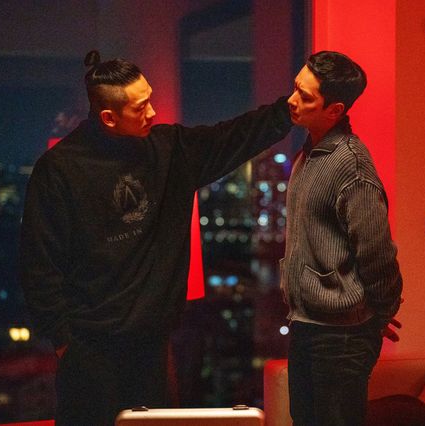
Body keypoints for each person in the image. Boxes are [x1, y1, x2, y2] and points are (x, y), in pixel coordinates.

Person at [19, 50, 293, 425]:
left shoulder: (169, 150)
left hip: (152, 346)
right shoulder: (59, 169)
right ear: (108, 117)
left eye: (150, 100)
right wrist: (64, 340)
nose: (152, 112)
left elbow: (232, 137)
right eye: (140, 107)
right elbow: (39, 264)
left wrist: (289, 111)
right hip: (87, 348)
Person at [280, 50, 403, 426]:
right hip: (307, 325)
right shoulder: (310, 153)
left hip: (340, 338)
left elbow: (377, 253)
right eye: (296, 88)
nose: (292, 100)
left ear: (334, 110)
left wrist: (378, 313)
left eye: (305, 96)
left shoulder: (351, 165)